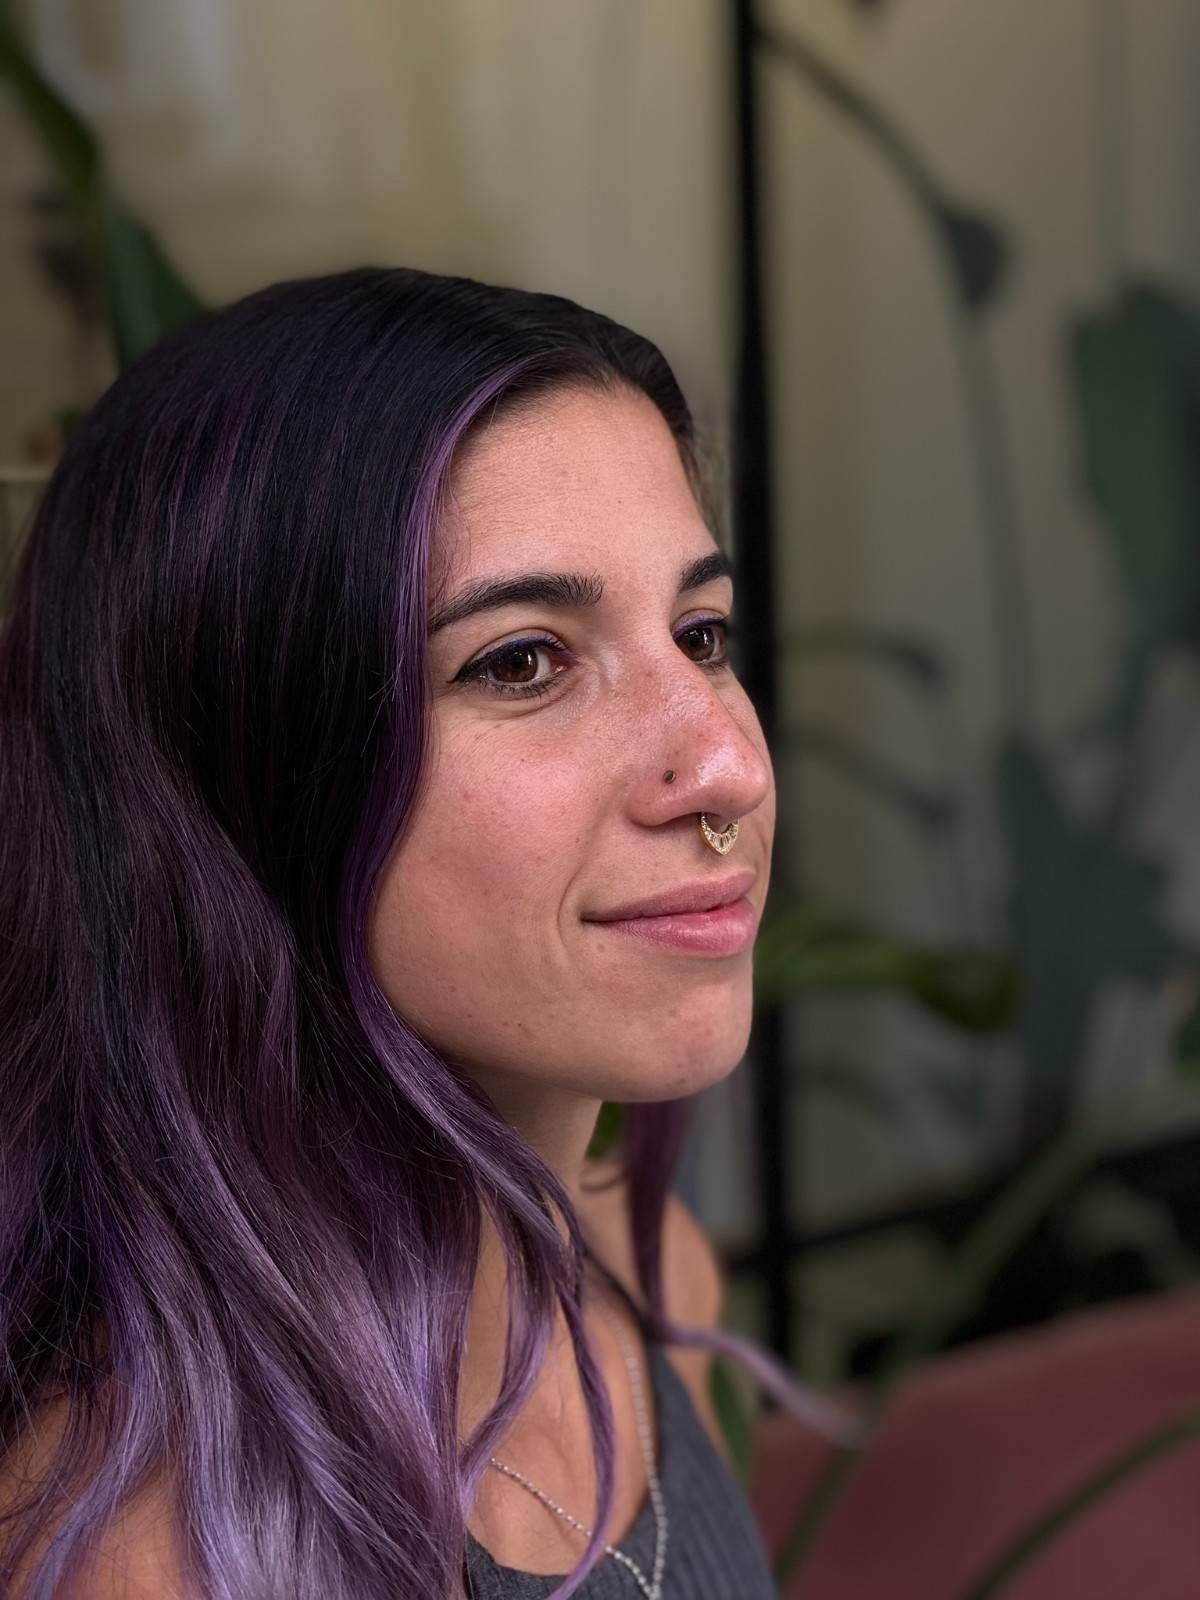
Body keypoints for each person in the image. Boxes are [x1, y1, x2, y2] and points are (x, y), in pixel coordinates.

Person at [0, 267, 859, 1598]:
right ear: (245, 776)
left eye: (702, 633)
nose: (724, 765)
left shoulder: (646, 1280)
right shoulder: (154, 1544)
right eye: (523, 660)